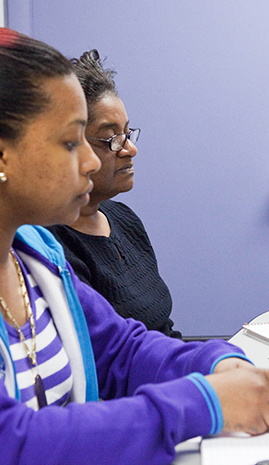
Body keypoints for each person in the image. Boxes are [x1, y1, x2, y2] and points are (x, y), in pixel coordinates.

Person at [0, 27, 269, 465]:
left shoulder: (32, 250)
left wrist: (215, 364)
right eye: (70, 142)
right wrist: (201, 403)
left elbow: (122, 350)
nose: (90, 160)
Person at [47, 50, 180, 338]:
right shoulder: (52, 244)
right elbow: (108, 356)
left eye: (128, 134)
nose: (130, 149)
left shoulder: (124, 219)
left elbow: (163, 329)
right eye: (112, 139)